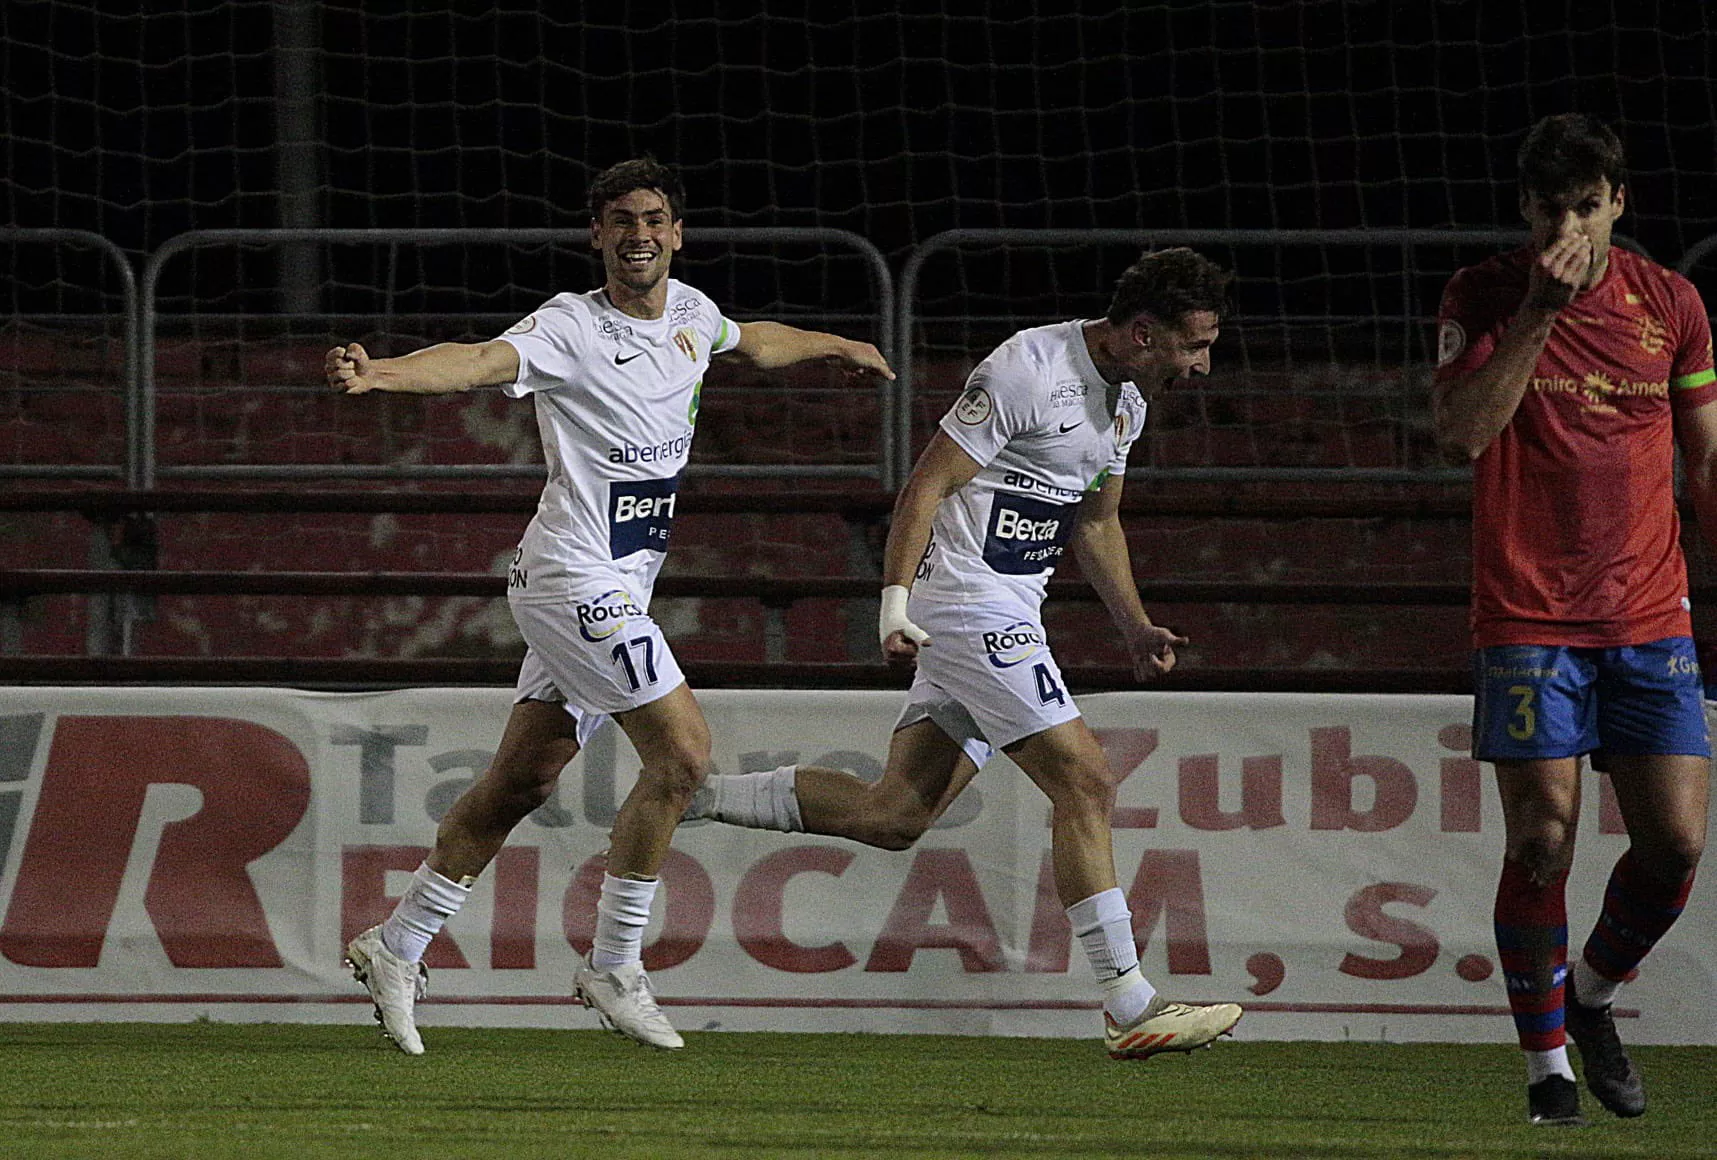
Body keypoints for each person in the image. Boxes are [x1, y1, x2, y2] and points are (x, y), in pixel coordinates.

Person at [326, 157, 894, 1054]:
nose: (639, 235)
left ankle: (397, 945)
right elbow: (477, 361)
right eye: (621, 220)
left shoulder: (693, 317)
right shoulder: (569, 326)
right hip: (571, 576)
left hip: (621, 581)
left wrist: (838, 346)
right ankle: (615, 963)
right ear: (597, 235)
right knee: (683, 755)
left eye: (654, 219)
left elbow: (757, 339)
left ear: (677, 232)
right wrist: (383, 374)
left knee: (522, 781)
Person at [687, 247, 1244, 1059]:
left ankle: (692, 795)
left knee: (894, 814)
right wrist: (895, 606)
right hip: (964, 607)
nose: (1201, 366)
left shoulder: (1128, 400)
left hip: (1010, 610)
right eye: (1192, 345)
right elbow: (925, 486)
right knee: (1084, 777)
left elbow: (1094, 521)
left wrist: (1133, 624)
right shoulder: (1027, 367)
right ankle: (1130, 1002)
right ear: (1139, 332)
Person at [1432, 113, 1717, 1126]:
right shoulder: (1481, 295)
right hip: (1525, 615)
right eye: (1550, 206)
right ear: (1525, 208)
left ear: (1617, 204)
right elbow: (1462, 433)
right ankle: (1546, 1061)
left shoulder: (1670, 303)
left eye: (1586, 206)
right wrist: (1539, 317)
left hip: (1648, 612)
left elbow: (1703, 459)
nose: (1569, 225)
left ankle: (1590, 993)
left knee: (1676, 844)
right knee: (1542, 838)